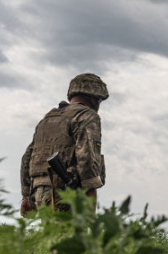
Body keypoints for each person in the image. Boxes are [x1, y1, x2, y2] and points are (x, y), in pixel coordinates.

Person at [20, 73, 108, 215]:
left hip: (40, 192)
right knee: (72, 236)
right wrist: (90, 199)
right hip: (66, 193)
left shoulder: (48, 119)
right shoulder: (86, 116)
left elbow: (27, 157)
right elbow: (88, 158)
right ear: (94, 98)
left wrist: (26, 197)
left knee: (52, 235)